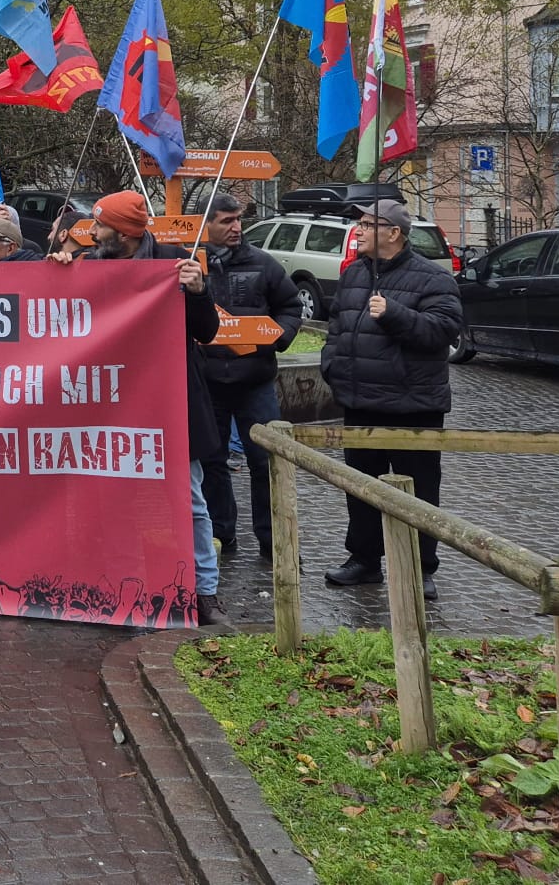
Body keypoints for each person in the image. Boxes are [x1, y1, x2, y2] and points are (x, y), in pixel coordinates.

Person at [53, 189, 230, 627]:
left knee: (190, 503)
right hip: (111, 409)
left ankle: (204, 593)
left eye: (100, 226)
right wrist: (56, 273)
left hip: (171, 405)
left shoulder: (172, 261)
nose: (92, 233)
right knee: (115, 502)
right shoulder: (92, 266)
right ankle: (123, 586)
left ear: (126, 233)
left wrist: (198, 290)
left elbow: (207, 332)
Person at [321, 198, 463, 599]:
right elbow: (335, 327)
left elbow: (444, 331)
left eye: (367, 224)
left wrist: (396, 313)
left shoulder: (433, 279)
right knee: (361, 487)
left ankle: (421, 569)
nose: (359, 231)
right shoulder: (353, 275)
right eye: (361, 224)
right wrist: (331, 366)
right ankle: (364, 560)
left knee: (418, 492)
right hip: (360, 402)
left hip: (412, 406)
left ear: (394, 233)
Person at [198, 192, 302, 562]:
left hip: (255, 381)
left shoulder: (263, 264)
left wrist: (280, 336)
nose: (236, 227)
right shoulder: (192, 265)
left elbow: (290, 306)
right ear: (206, 224)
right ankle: (221, 536)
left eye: (238, 219)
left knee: (265, 462)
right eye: (226, 221)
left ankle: (272, 543)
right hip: (207, 382)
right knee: (211, 462)